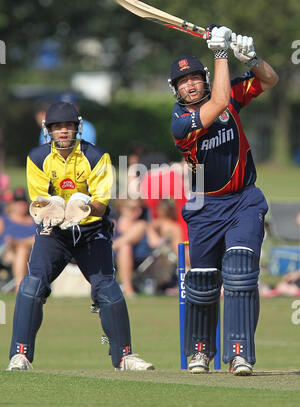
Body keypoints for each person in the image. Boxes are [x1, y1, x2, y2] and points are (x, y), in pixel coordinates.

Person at [6, 101, 154, 372]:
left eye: (68, 126)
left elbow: (101, 200)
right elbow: (38, 202)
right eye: (57, 127)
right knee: (32, 286)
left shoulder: (97, 156)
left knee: (106, 288)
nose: (63, 131)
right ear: (48, 130)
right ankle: (20, 355)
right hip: (54, 233)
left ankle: (124, 357)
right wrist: (55, 211)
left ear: (78, 127)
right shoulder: (37, 157)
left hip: (91, 231)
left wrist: (83, 209)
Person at [169, 25, 279, 375]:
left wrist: (252, 58)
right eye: (182, 81)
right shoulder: (180, 122)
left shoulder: (230, 93)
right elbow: (217, 103)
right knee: (202, 281)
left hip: (245, 200)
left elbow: (270, 80)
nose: (190, 84)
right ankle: (199, 351)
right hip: (205, 207)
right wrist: (219, 54)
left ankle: (240, 353)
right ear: (175, 89)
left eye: (194, 78)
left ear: (203, 78)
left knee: (241, 272)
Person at [112, 198, 151, 298]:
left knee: (125, 247)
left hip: (138, 258)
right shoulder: (112, 224)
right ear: (122, 209)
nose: (139, 211)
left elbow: (123, 241)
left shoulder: (141, 224)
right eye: (133, 208)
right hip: (113, 257)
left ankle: (128, 289)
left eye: (140, 208)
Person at [0, 187, 35, 292]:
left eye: (23, 203)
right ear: (12, 204)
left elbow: (37, 239)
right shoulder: (4, 219)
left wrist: (18, 242)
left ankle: (19, 287)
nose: (20, 206)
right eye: (17, 203)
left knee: (22, 249)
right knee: (21, 250)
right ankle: (20, 287)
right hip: (8, 252)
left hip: (30, 252)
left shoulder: (33, 221)